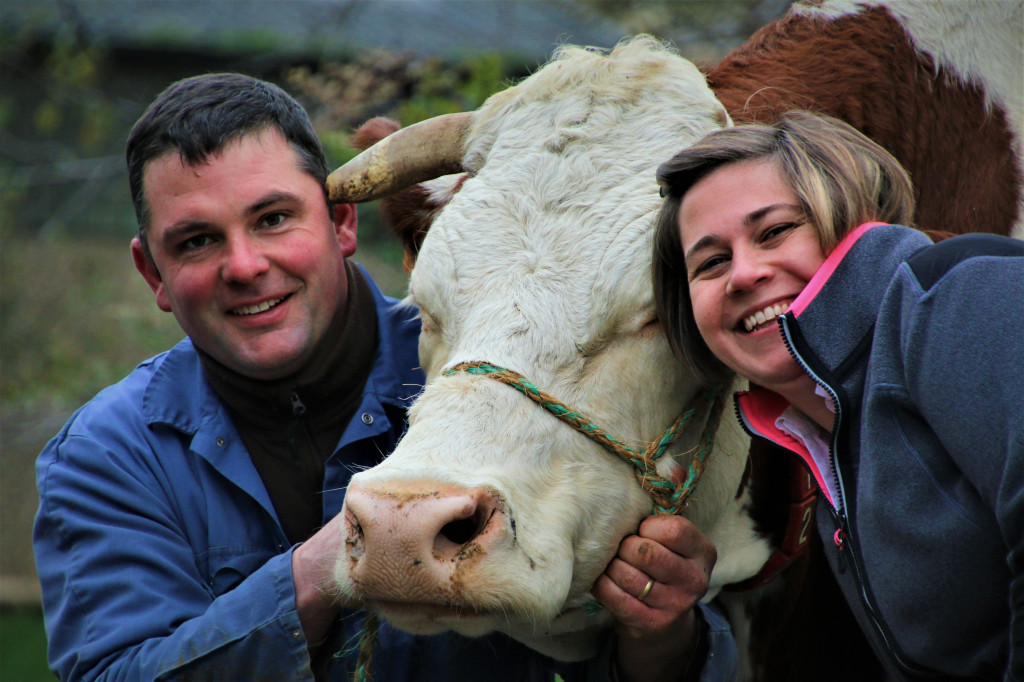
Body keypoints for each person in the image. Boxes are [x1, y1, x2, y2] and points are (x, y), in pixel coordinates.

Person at [34, 72, 730, 682]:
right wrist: (324, 565)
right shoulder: (105, 453)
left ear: (342, 222)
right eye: (196, 241)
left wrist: (661, 634)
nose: (244, 265)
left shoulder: (522, 373)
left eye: (273, 218)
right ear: (153, 274)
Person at [651, 110, 1023, 680]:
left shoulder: (958, 290)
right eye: (711, 262)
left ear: (855, 218)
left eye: (774, 231)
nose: (743, 275)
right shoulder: (825, 446)